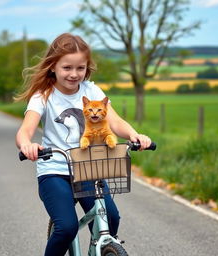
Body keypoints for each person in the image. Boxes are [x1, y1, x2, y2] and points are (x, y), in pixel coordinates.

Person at [15, 33, 152, 256]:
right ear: (53, 67)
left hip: (88, 169)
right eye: (67, 67)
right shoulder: (43, 95)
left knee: (111, 218)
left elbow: (115, 121)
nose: (74, 74)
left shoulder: (92, 91)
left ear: (87, 67)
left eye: (80, 68)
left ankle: (98, 249)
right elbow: (25, 130)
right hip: (55, 171)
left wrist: (135, 135)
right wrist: (27, 144)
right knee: (66, 228)